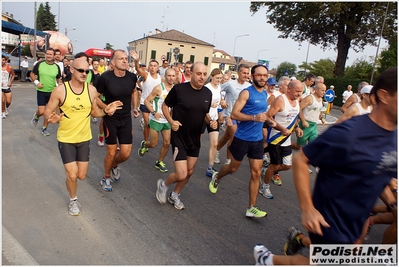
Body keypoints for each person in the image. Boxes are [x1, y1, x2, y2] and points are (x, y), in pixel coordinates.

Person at [253, 67, 397, 265]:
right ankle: (268, 260)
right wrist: (308, 209)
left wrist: (393, 205)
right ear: (384, 96)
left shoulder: (394, 138)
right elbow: (301, 159)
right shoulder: (350, 132)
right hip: (331, 218)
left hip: (357, 222)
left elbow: (378, 172)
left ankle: (267, 259)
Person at [43, 58, 122, 216]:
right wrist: (53, 117)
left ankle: (72, 184)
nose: (85, 74)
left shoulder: (91, 90)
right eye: (81, 70)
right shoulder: (60, 90)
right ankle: (73, 200)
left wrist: (106, 111)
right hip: (66, 138)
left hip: (84, 138)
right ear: (71, 70)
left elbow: (94, 112)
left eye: (87, 71)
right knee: (72, 175)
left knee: (81, 175)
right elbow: (47, 111)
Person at [209, 65, 274, 218]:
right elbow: (234, 114)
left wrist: (268, 120)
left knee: (256, 173)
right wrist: (254, 118)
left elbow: (261, 113)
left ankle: (251, 207)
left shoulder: (264, 94)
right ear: (252, 76)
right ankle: (217, 177)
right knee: (233, 168)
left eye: (265, 75)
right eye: (259, 75)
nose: (263, 78)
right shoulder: (246, 93)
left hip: (257, 140)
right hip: (242, 138)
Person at [155, 62, 216, 210]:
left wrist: (211, 122)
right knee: (181, 174)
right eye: (199, 74)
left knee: (189, 172)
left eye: (204, 74)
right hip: (179, 137)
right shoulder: (179, 89)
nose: (202, 77)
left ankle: (175, 194)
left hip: (195, 139)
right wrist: (171, 121)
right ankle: (163, 184)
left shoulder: (207, 93)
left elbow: (204, 114)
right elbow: (165, 105)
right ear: (192, 74)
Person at [96, 49, 139, 192]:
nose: (125, 61)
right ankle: (106, 176)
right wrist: (106, 107)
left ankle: (114, 165)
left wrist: (135, 107)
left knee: (125, 153)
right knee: (111, 151)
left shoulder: (132, 77)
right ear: (113, 62)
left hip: (126, 118)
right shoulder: (105, 77)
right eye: (121, 59)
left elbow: (133, 91)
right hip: (111, 118)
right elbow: (96, 97)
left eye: (126, 58)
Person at [259, 80, 303, 198]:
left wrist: (297, 127)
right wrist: (281, 128)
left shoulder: (297, 100)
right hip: (275, 138)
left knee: (287, 166)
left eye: (301, 91)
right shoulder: (280, 100)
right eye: (297, 91)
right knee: (275, 165)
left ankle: (267, 171)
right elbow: (268, 116)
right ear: (289, 89)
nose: (299, 94)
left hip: (287, 139)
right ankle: (264, 186)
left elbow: (294, 117)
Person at [138, 68, 176, 173]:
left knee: (167, 143)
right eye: (169, 76)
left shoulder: (175, 89)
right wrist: (154, 112)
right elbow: (146, 101)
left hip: (167, 120)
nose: (171, 78)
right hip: (155, 120)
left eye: (173, 76)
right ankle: (145, 144)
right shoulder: (159, 88)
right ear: (165, 76)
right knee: (153, 144)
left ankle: (159, 161)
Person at [214, 64, 251, 165]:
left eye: (247, 73)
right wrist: (222, 100)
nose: (246, 75)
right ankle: (228, 160)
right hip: (230, 115)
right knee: (234, 137)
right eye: (244, 73)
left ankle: (216, 150)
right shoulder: (230, 84)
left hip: (242, 116)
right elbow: (217, 90)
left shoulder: (249, 86)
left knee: (227, 136)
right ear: (238, 73)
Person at [130, 51, 161, 144]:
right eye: (151, 65)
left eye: (155, 66)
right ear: (148, 67)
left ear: (157, 68)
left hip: (155, 105)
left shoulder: (161, 78)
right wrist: (137, 61)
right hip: (144, 103)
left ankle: (150, 140)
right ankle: (146, 141)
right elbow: (138, 69)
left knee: (154, 125)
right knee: (148, 124)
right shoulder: (145, 75)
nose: (152, 67)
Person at [30, 48, 62, 136]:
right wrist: (37, 82)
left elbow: (58, 79)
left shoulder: (56, 67)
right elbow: (32, 74)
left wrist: (59, 85)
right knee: (41, 111)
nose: (48, 56)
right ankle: (36, 116)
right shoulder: (40, 64)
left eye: (50, 54)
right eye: (47, 54)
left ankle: (44, 128)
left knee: (48, 112)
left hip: (52, 92)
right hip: (41, 91)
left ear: (54, 56)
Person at [296, 83, 327, 174]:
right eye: (322, 90)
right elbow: (299, 108)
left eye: (325, 90)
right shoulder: (310, 98)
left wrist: (321, 118)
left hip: (313, 125)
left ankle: (315, 165)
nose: (324, 92)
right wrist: (303, 120)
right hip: (305, 124)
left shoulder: (320, 99)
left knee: (314, 145)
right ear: (316, 89)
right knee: (301, 146)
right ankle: (301, 163)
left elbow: (318, 111)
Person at [203, 68, 226, 177]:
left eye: (220, 78)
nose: (219, 80)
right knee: (195, 143)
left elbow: (220, 102)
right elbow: (201, 104)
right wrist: (209, 105)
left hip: (214, 117)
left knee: (214, 143)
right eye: (217, 78)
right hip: (203, 117)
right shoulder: (206, 88)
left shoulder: (219, 88)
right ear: (211, 77)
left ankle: (210, 167)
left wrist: (223, 103)